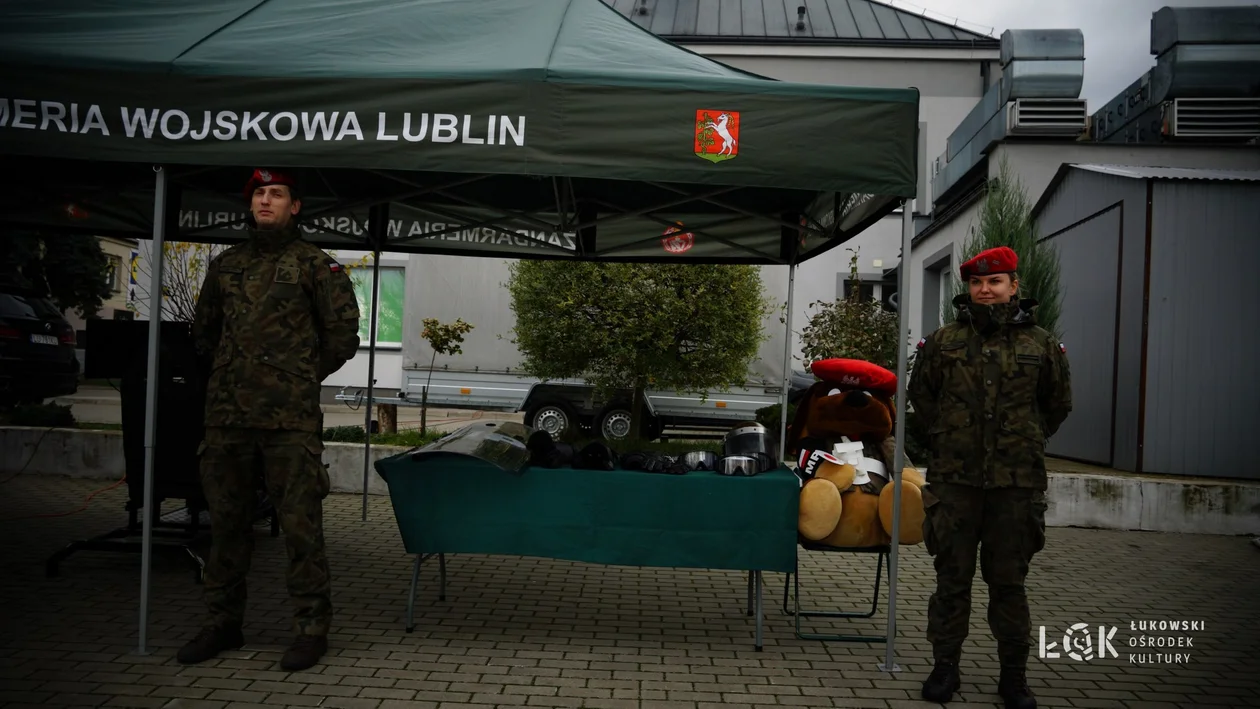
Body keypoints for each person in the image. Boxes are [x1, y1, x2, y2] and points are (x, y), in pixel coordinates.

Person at [178, 168, 361, 672]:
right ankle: (222, 623)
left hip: (290, 421)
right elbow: (204, 333)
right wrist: (235, 375)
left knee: (302, 528)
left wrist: (298, 375)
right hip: (227, 419)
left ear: (294, 206)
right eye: (259, 193)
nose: (265, 201)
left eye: (275, 193)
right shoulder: (226, 266)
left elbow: (343, 335)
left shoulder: (316, 267)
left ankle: (310, 629)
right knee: (227, 527)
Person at [908, 246, 1072, 709]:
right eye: (977, 283)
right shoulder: (943, 342)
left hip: (1015, 486)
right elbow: (923, 399)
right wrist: (955, 437)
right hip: (955, 483)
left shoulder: (1040, 344)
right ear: (969, 288)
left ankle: (1014, 678)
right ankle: (945, 669)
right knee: (951, 583)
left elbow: (1056, 405)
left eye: (995, 281)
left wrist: (1022, 439)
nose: (985, 289)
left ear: (1014, 285)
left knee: (1008, 585)